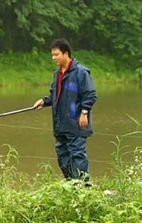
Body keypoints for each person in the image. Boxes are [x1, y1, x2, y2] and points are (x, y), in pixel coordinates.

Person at [33, 39, 97, 182]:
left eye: (56, 55)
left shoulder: (80, 72)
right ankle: (71, 185)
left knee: (77, 155)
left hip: (76, 123)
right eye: (52, 55)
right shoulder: (57, 73)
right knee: (63, 156)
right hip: (60, 124)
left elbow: (90, 94)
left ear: (66, 53)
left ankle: (83, 189)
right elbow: (55, 95)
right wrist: (44, 101)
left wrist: (84, 112)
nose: (53, 58)